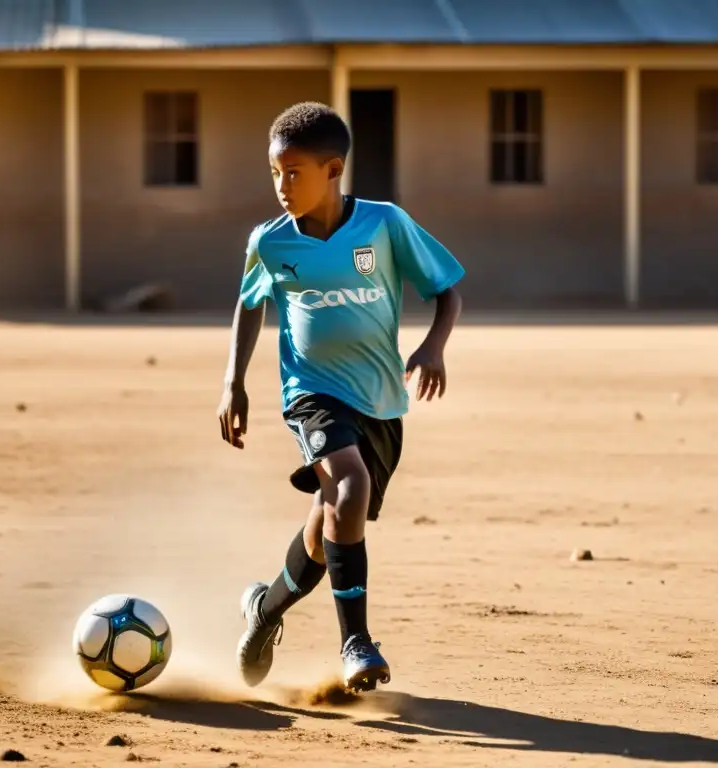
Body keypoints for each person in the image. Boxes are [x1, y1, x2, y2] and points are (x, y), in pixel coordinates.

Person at [216, 101, 464, 692]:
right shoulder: (270, 242)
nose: (281, 186)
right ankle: (357, 641)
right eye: (275, 173)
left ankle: (265, 608)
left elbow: (447, 290)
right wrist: (234, 381)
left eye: (293, 173)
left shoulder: (382, 224)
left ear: (334, 169)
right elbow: (251, 304)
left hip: (380, 398)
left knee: (327, 526)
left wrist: (433, 348)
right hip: (311, 393)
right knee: (350, 488)